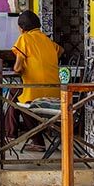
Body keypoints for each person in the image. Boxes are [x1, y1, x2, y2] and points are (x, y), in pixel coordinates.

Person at [10, 10, 64, 151]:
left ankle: (25, 137)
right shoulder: (47, 40)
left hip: (36, 92)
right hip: (56, 92)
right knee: (16, 95)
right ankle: (12, 133)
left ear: (21, 28)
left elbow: (18, 66)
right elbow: (61, 50)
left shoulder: (24, 38)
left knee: (16, 99)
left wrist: (19, 69)